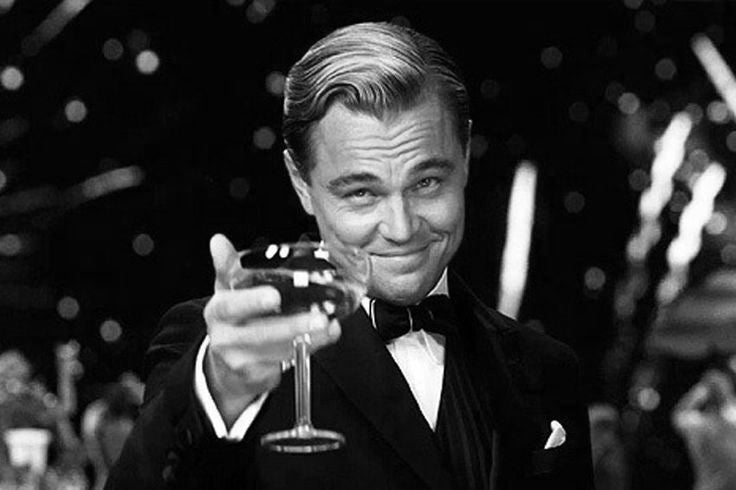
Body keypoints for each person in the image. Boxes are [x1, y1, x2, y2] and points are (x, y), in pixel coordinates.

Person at [107, 22, 594, 489]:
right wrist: (218, 389)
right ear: (302, 184)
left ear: (464, 157)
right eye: (361, 193)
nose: (401, 228)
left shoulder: (547, 370)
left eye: (427, 182)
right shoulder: (221, 349)